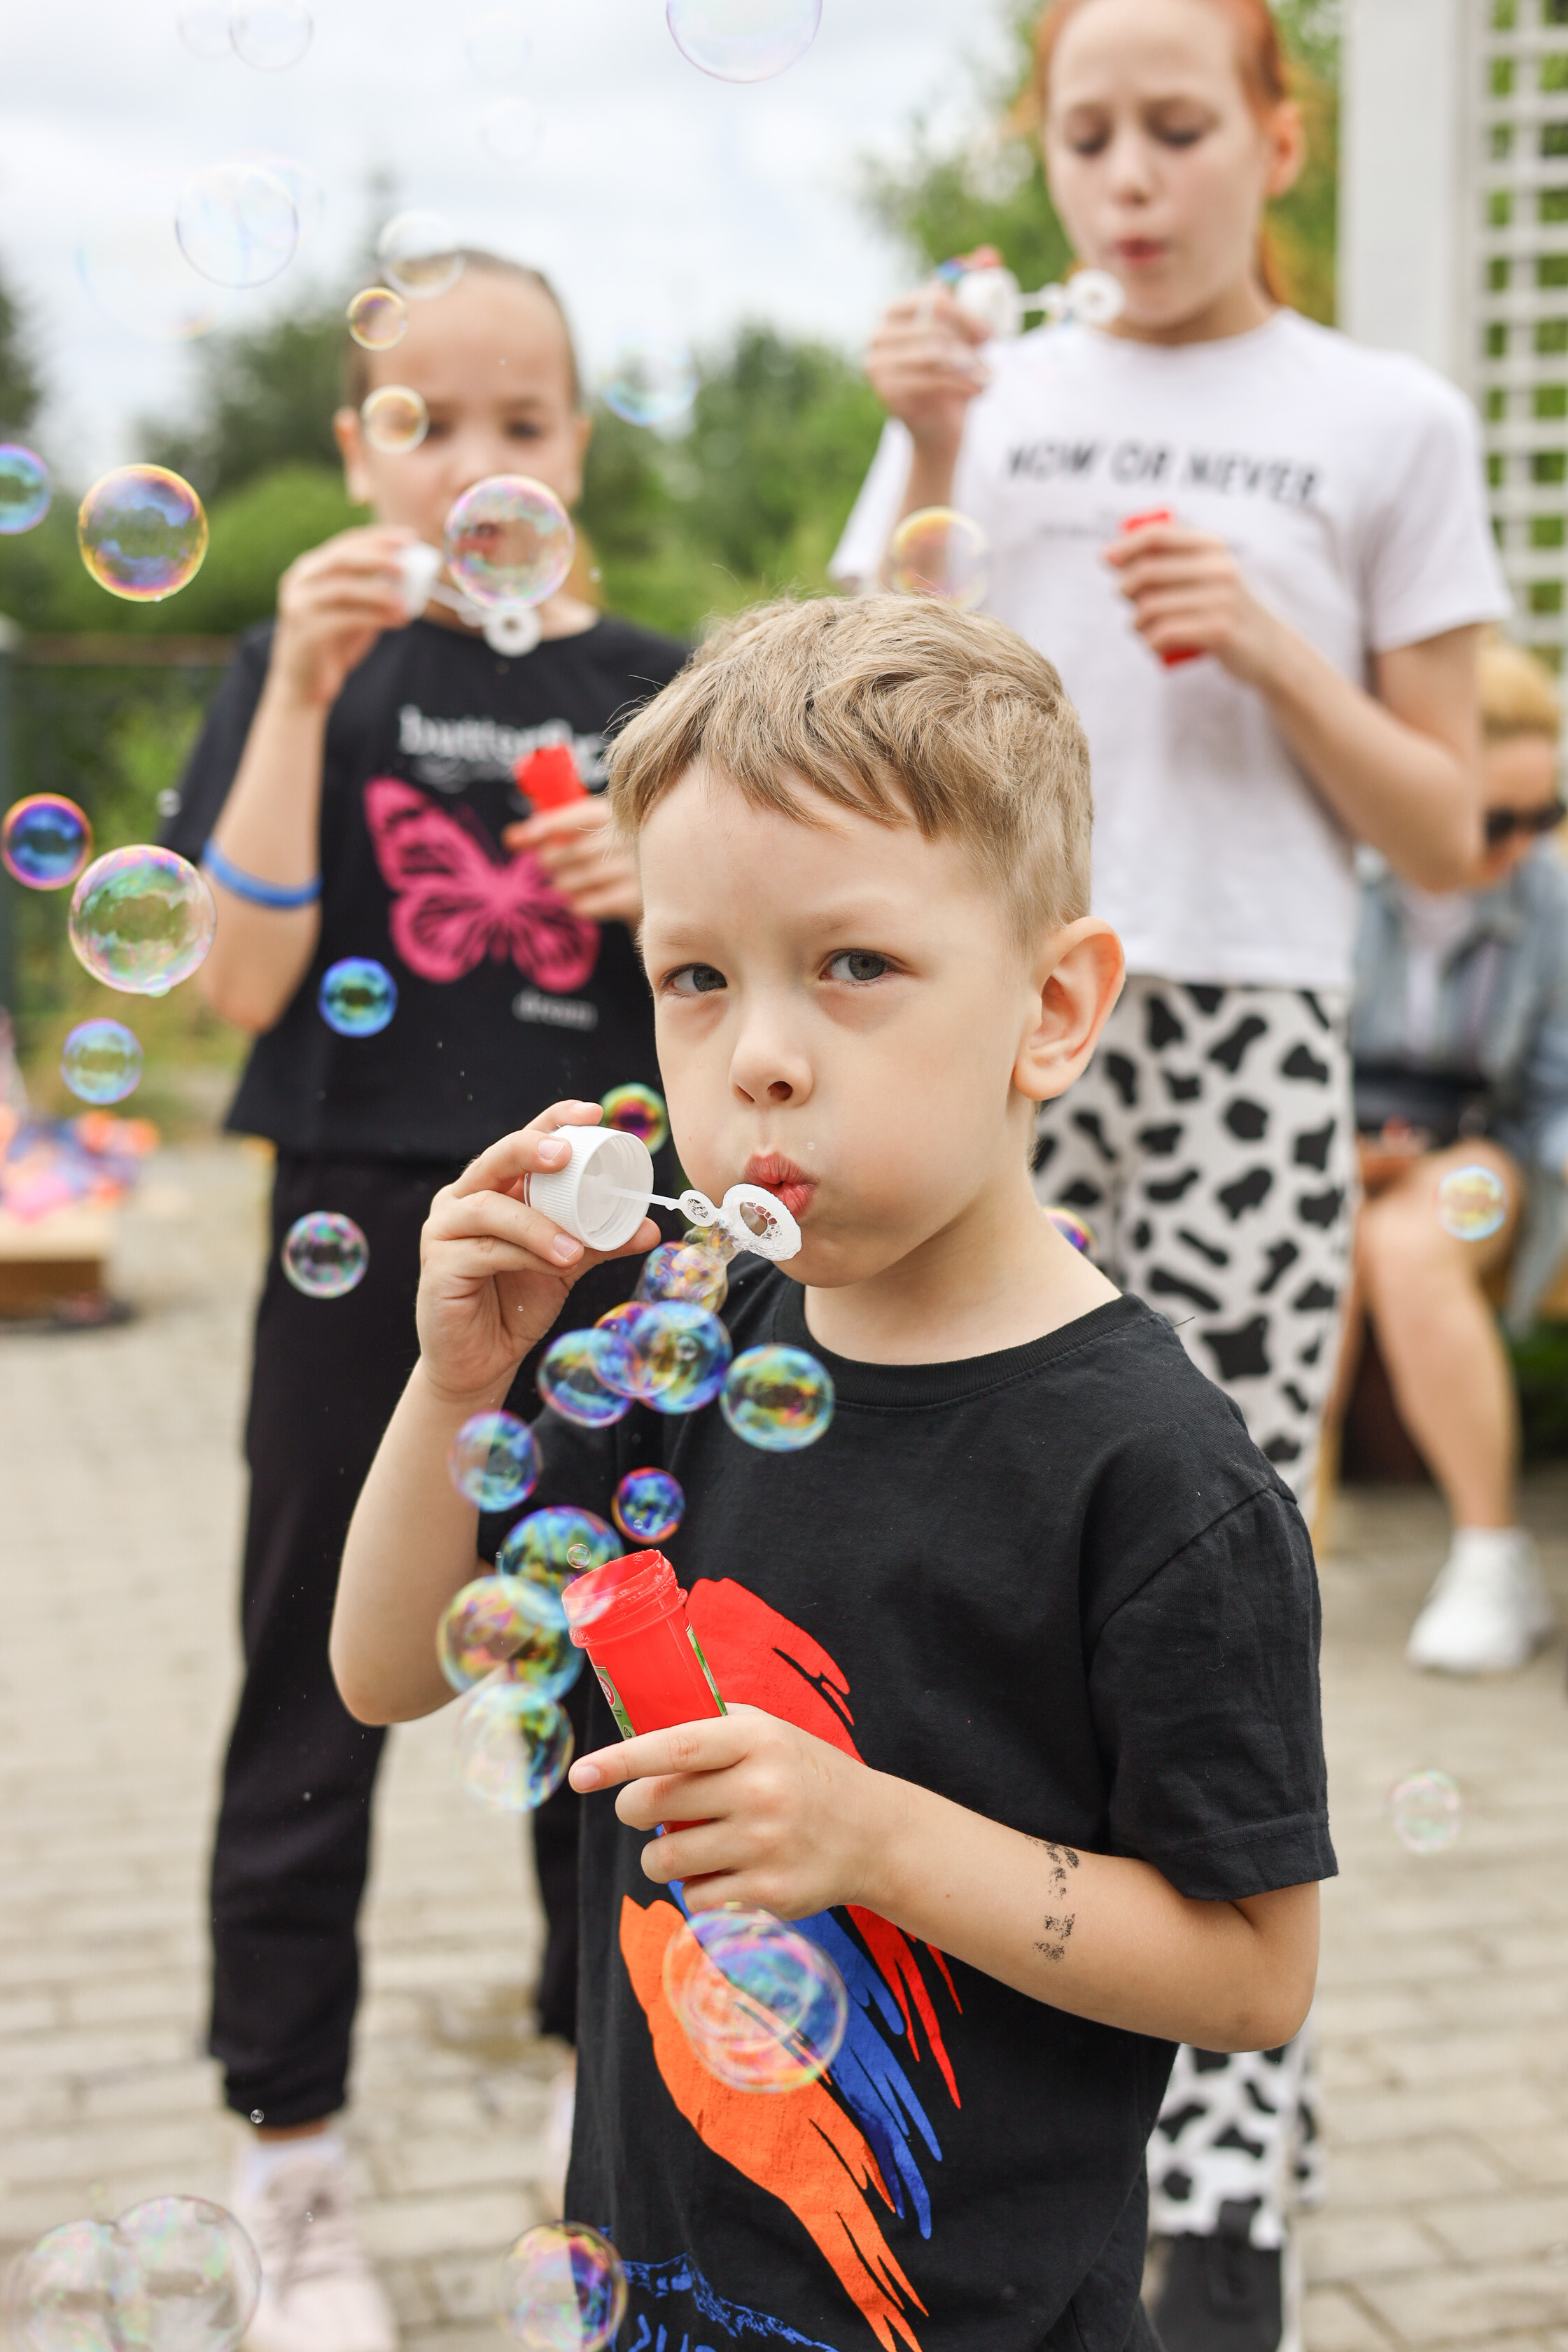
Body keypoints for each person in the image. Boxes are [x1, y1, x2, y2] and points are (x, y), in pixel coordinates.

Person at [331, 593, 1334, 2352]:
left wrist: (872, 1839)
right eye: (695, 978)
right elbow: (384, 1667)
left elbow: (1254, 1972)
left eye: (853, 966)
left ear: (1051, 1008)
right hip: (658, 2299)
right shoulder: (685, 1347)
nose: (759, 1056)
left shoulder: (1154, 1475)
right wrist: (453, 1388)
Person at [831, 2, 1509, 2340]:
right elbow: (854, 736)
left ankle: (1227, 2194)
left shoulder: (1382, 418)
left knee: (1210, 1596)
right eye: (1086, 132)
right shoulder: (982, 393)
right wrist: (933, 442)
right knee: (960, 1572)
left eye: (1179, 126)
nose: (1129, 175)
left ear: (1278, 138)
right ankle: (972, 2112)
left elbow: (1456, 828)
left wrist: (1282, 657)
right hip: (972, 1040)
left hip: (1234, 1032)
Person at [159, 250, 686, 2352]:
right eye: (425, 423)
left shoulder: (649, 688)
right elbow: (231, 982)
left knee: (608, 1672)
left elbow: (741, 984)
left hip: (605, 1231)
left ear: (579, 446)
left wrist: (664, 890)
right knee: (313, 1678)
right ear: (353, 450)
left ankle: (599, 2117)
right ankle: (286, 2160)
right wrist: (296, 693)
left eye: (520, 424)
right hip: (364, 1229)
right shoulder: (314, 667)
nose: (476, 463)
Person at [1348, 634, 1567, 1675]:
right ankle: (1263, 1543)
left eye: (1545, 817)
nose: (1519, 846)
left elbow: (1556, 1097)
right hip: (1335, 1149)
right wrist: (1342, 1148)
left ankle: (1491, 1554)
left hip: (1488, 1152)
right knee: (1327, 1236)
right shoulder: (1340, 877)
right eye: (1495, 820)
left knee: (1411, 1241)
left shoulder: (1548, 905)